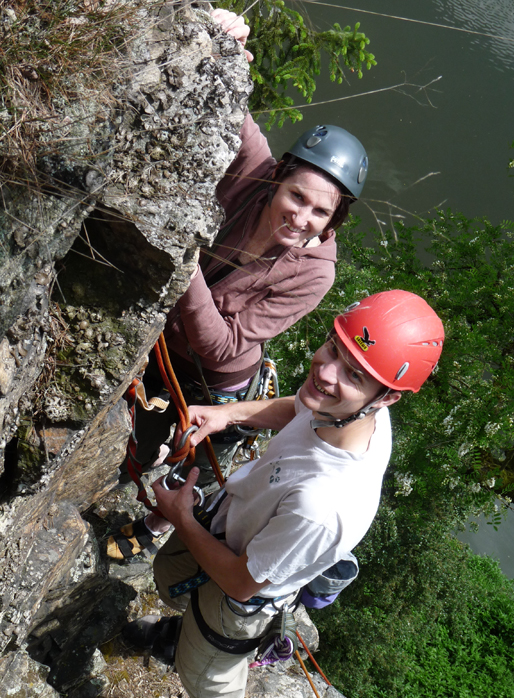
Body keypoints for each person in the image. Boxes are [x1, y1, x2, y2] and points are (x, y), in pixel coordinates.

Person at [125, 290, 445, 698]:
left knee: (210, 674)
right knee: (182, 593)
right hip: (233, 529)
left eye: (354, 374)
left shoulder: (326, 504)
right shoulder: (345, 410)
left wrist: (181, 517)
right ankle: (185, 632)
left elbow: (239, 580)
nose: (327, 370)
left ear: (387, 397)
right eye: (335, 348)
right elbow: (298, 407)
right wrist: (226, 414)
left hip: (242, 589)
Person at [107, 8, 370, 560]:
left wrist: (184, 264)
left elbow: (224, 344)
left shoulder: (316, 272)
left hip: (215, 376)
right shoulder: (253, 171)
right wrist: (225, 39)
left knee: (185, 451)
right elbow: (230, 106)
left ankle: (157, 525)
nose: (302, 218)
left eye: (320, 213)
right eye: (296, 196)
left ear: (334, 220)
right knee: (140, 431)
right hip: (165, 336)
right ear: (278, 178)